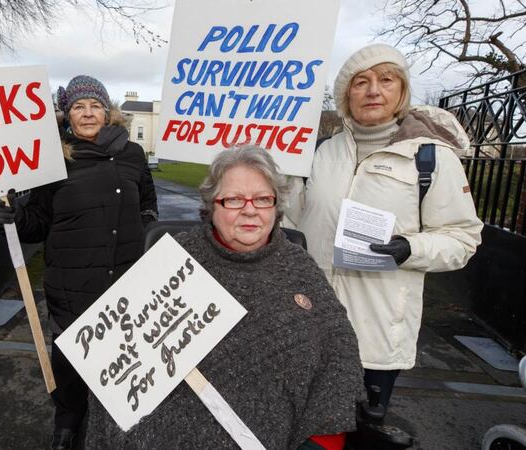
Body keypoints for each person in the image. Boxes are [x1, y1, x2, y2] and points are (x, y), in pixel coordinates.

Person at [85, 146, 364, 450]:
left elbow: (339, 353)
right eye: (233, 199)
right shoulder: (172, 261)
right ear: (211, 207)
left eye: (262, 198)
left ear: (275, 206)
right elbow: (111, 362)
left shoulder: (300, 268)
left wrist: (324, 440)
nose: (249, 209)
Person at [284, 44, 483, 429]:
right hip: (309, 327)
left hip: (375, 339)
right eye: (361, 82)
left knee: (357, 432)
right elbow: (295, 222)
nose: (373, 90)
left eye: (386, 79)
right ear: (346, 96)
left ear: (401, 93)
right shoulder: (319, 154)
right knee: (302, 429)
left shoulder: (432, 158)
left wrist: (411, 248)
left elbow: (463, 239)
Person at [0, 74, 158, 450]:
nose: (87, 113)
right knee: (70, 362)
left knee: (124, 356)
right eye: (78, 107)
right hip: (72, 282)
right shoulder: (53, 158)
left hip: (128, 280)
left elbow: (147, 199)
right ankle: (67, 421)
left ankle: (119, 424)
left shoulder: (132, 154)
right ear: (68, 114)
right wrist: (13, 218)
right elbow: (37, 223)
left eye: (94, 105)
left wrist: (146, 225)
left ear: (108, 111)